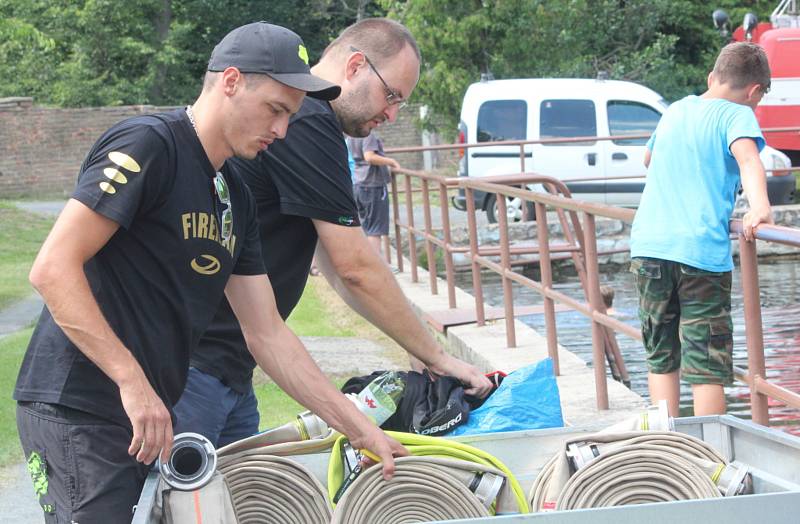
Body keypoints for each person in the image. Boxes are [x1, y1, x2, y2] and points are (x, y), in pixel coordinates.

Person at [13, 22, 406, 523]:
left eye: (291, 115)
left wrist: (359, 429)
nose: (282, 130)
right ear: (232, 81)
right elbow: (52, 268)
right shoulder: (150, 144)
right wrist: (132, 382)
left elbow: (267, 334)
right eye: (276, 110)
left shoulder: (235, 196)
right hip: (79, 404)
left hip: (143, 416)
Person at [174, 18, 492, 448]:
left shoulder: (305, 120)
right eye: (392, 95)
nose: (393, 113)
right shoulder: (308, 119)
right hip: (196, 367)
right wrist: (438, 356)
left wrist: (419, 350)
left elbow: (340, 272)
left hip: (232, 361)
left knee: (240, 502)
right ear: (356, 65)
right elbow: (354, 266)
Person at [629, 42, 773, 418]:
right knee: (706, 364)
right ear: (754, 92)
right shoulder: (737, 114)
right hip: (699, 254)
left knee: (661, 357)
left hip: (649, 248)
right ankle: (709, 459)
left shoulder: (675, 110)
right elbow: (748, 160)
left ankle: (666, 447)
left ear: (712, 77)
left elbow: (648, 158)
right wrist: (759, 206)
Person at [347, 130, 399, 255]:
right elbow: (369, 156)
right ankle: (375, 266)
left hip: (358, 182)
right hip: (372, 186)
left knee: (365, 227)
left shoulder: (351, 134)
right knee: (375, 230)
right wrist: (391, 162)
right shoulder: (367, 135)